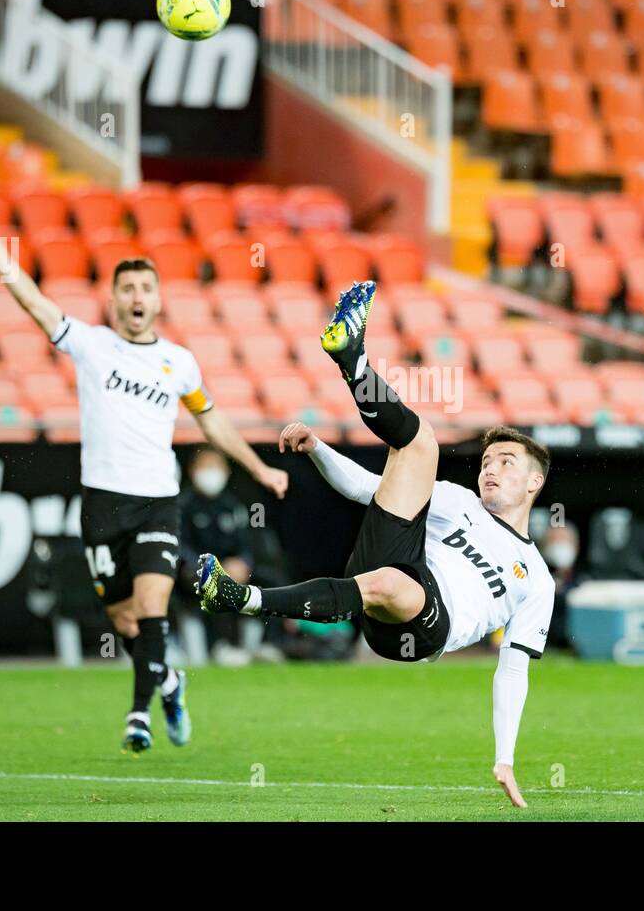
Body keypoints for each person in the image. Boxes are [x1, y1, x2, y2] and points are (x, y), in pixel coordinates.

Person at [195, 280, 554, 808]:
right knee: (417, 443)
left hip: (427, 626)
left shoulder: (538, 578)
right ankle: (353, 361)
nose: (491, 468)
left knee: (390, 583)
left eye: (507, 462)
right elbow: (369, 489)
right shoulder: (457, 500)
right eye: (487, 460)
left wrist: (505, 755)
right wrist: (318, 449)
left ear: (534, 484)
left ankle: (248, 600)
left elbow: (514, 668)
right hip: (394, 567)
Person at [0, 194, 288, 753]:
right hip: (102, 504)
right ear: (113, 300)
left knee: (153, 606)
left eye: (146, 289)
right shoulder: (93, 346)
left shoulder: (180, 363)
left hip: (158, 500)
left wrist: (259, 467)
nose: (137, 297)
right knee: (126, 619)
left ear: (158, 300)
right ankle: (169, 680)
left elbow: (212, 423)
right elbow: (36, 303)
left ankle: (138, 715)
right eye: (128, 289)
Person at [177, 445, 286, 666]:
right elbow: (180, 548)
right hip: (195, 571)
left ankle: (267, 643)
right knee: (216, 582)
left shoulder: (232, 506)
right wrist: (212, 566)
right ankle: (222, 645)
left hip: (233, 569)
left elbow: (246, 545)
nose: (211, 473)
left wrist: (244, 563)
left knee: (271, 579)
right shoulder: (183, 507)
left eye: (216, 467)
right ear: (192, 470)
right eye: (205, 466)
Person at [540, 522, 581, 650]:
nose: (560, 546)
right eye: (555, 541)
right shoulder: (537, 577)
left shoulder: (585, 578)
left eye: (564, 541)